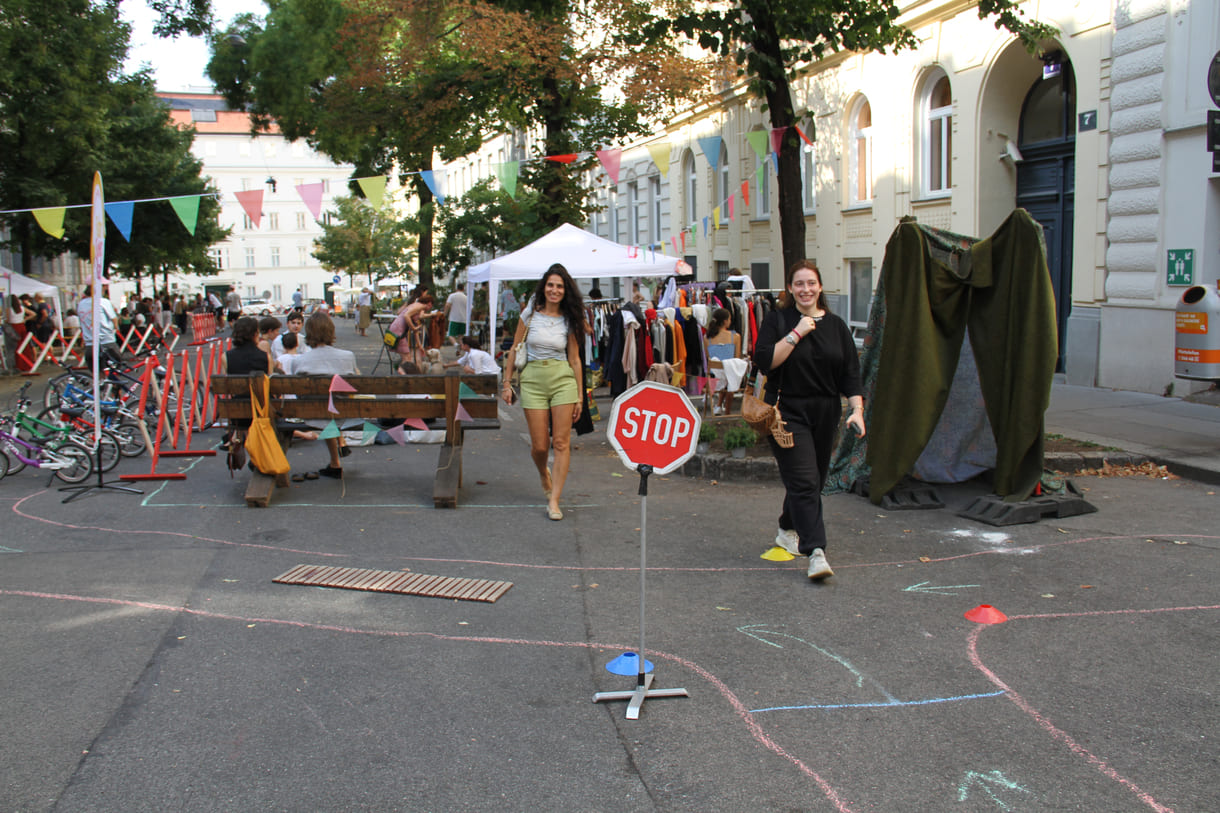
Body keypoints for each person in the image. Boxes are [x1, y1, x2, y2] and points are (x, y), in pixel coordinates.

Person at [752, 260, 865, 581]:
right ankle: (816, 551)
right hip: (787, 411)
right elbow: (765, 362)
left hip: (826, 411)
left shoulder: (837, 326)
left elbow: (850, 375)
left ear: (820, 286)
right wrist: (796, 333)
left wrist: (856, 409)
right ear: (790, 288)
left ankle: (788, 527)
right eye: (799, 284)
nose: (806, 290)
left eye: (811, 283)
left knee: (811, 480)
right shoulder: (779, 320)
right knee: (804, 482)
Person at [502, 263, 586, 521]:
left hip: (563, 379)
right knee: (539, 446)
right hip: (533, 380)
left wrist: (580, 395)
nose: (555, 290)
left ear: (565, 290)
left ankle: (554, 500)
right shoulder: (530, 313)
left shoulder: (569, 318)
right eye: (551, 285)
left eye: (560, 286)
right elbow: (515, 347)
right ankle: (542, 472)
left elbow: (574, 359)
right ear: (544, 287)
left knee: (561, 442)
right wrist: (506, 382)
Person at [293, 311, 360, 478]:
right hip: (344, 412)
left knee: (325, 410)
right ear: (331, 332)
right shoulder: (347, 356)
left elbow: (297, 393)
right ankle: (335, 462)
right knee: (333, 408)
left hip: (312, 413)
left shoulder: (299, 360)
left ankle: (335, 463)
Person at [705, 307, 743, 415]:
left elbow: (709, 358)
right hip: (729, 374)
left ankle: (718, 406)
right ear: (725, 321)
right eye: (730, 319)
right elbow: (737, 358)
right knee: (731, 372)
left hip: (714, 375)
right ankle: (727, 411)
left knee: (725, 372)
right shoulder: (735, 337)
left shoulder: (707, 337)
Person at [77, 285, 122, 365]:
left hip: (90, 344)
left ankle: (102, 377)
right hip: (106, 341)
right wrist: (116, 328)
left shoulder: (80, 304)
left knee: (98, 372)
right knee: (116, 369)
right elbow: (114, 319)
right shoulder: (103, 301)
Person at [393, 293, 434, 371]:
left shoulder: (415, 306)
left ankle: (410, 374)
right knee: (408, 358)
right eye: (431, 305)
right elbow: (406, 316)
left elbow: (415, 331)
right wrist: (413, 328)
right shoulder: (420, 307)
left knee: (409, 356)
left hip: (399, 331)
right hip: (399, 332)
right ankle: (406, 374)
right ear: (429, 303)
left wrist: (420, 345)